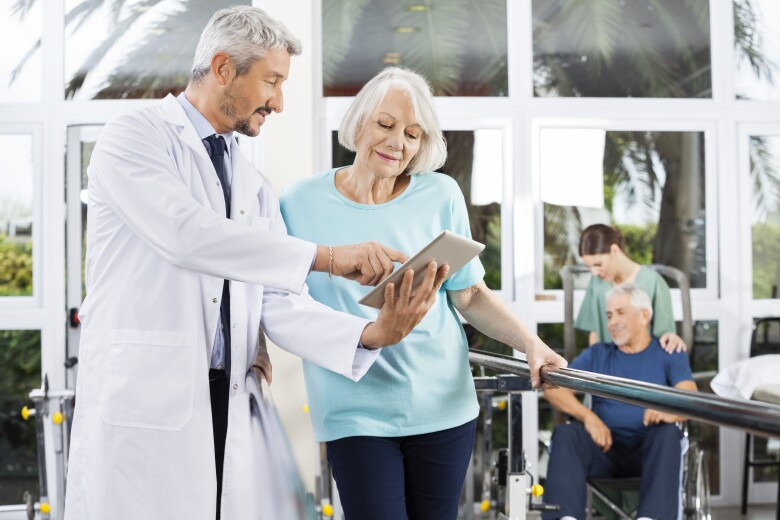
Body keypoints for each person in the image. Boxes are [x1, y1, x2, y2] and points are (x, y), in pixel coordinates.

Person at [64, 7, 449, 520]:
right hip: (145, 397)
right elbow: (186, 235)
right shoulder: (134, 138)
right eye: (272, 81)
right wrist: (329, 258)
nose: (280, 102)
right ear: (223, 68)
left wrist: (372, 334)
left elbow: (277, 300)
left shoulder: (252, 185)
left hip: (226, 397)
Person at [279, 66, 567, 520]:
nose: (398, 143)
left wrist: (531, 343)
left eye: (412, 134)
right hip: (353, 411)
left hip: (443, 406)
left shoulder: (441, 194)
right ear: (359, 123)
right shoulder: (297, 203)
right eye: (386, 124)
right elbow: (274, 293)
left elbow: (470, 295)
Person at [542, 283, 697, 520]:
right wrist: (588, 417)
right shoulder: (598, 354)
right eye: (609, 315)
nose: (612, 322)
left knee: (667, 434)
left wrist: (668, 411)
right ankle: (565, 518)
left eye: (620, 313)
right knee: (566, 434)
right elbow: (554, 390)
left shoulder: (668, 353)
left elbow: (690, 397)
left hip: (650, 453)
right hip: (604, 451)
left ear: (644, 315)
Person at [576, 223, 686, 352]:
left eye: (598, 264)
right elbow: (595, 333)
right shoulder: (596, 283)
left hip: (643, 360)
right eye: (589, 267)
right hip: (606, 361)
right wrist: (595, 360)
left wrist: (671, 338)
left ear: (614, 250)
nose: (594, 272)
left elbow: (665, 335)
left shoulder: (653, 281)